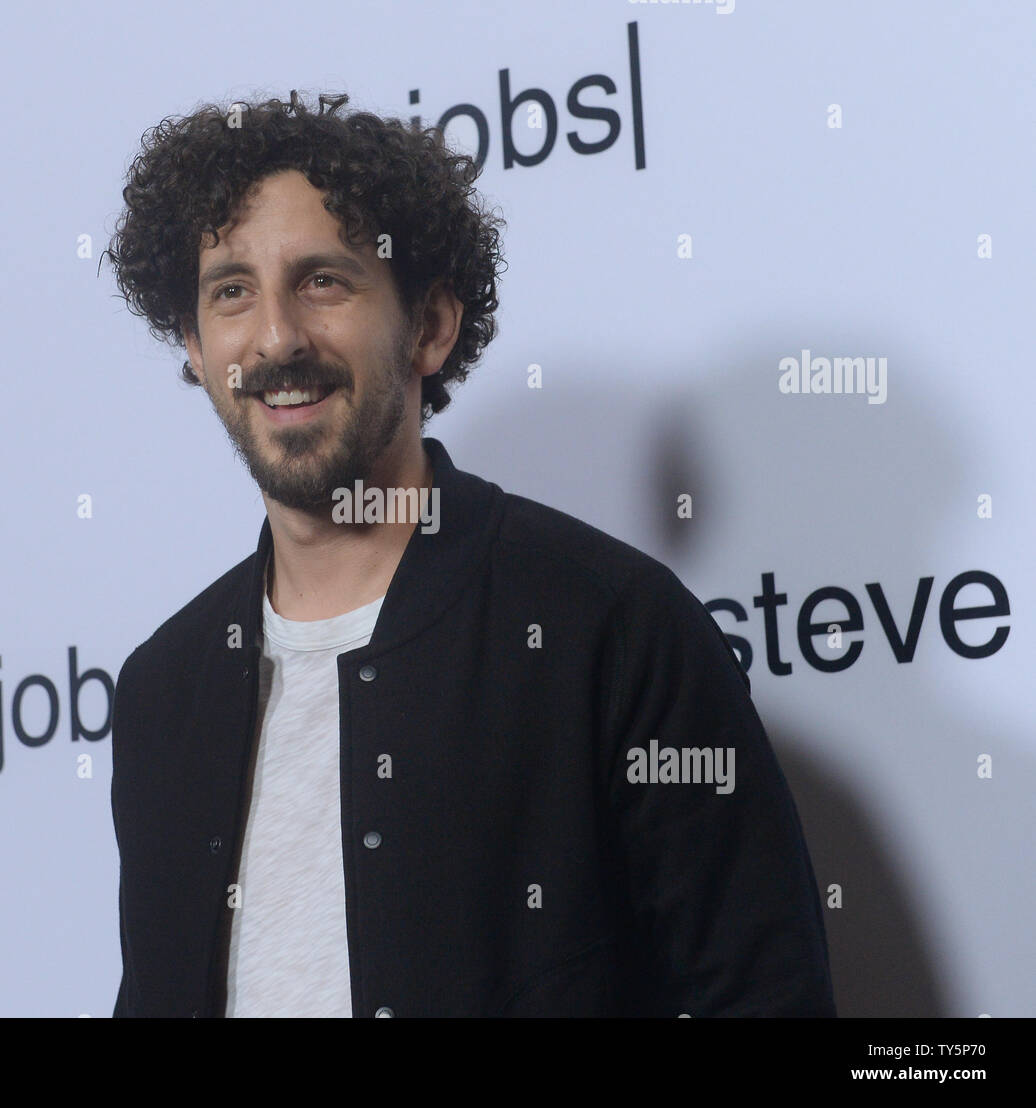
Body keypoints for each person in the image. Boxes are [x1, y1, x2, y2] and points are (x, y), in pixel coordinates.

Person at [103, 90, 836, 1018]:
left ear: (431, 327)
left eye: (324, 281)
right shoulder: (165, 690)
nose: (277, 336)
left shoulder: (607, 626)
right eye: (232, 291)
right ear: (197, 349)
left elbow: (763, 998)